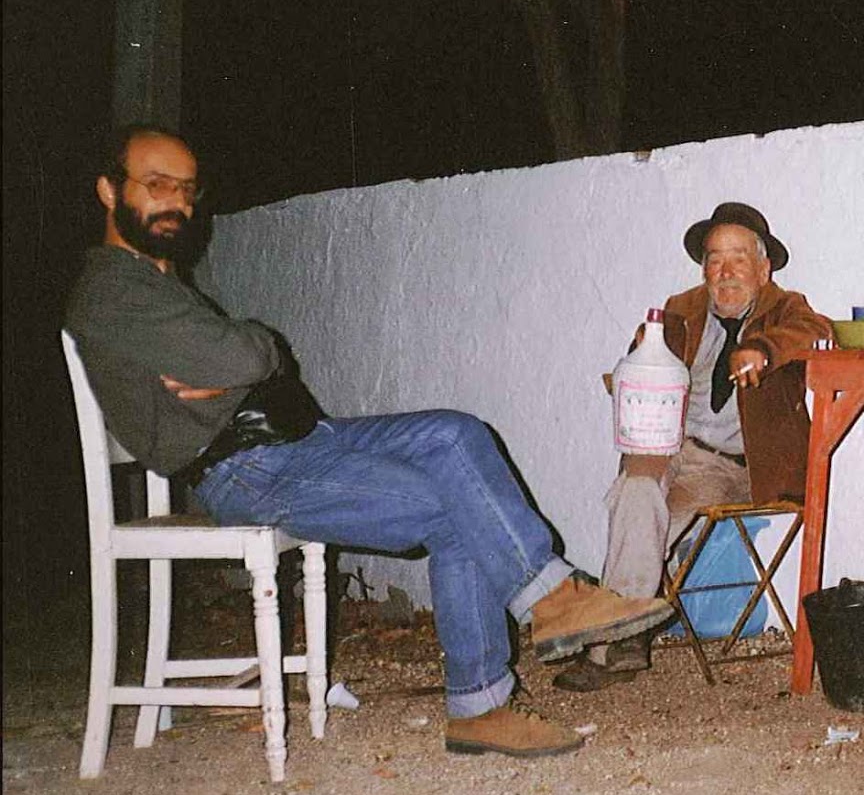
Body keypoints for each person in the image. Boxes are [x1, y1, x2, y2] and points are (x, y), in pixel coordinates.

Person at [64, 125, 675, 759]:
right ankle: (485, 703)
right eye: (156, 184)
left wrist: (247, 356)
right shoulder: (113, 288)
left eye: (186, 189)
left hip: (300, 440)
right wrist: (258, 349)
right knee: (453, 507)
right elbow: (243, 357)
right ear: (109, 190)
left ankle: (549, 597)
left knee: (455, 434)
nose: (175, 201)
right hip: (245, 468)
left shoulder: (157, 281)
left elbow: (241, 363)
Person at [553, 202, 833, 691]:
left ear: (764, 267)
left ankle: (610, 643)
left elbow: (818, 332)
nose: (725, 271)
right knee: (635, 490)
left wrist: (763, 350)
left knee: (652, 517)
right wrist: (640, 354)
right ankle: (621, 637)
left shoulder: (787, 308)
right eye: (714, 259)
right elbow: (645, 368)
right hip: (669, 445)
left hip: (734, 465)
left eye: (739, 258)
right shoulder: (681, 309)